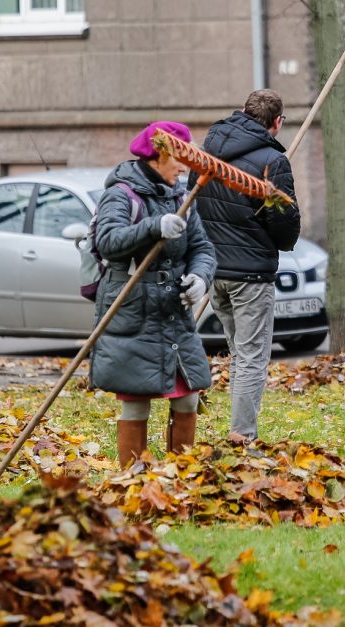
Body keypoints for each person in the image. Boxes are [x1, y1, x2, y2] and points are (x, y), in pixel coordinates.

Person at [90, 120, 217, 468]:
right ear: (160, 154)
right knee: (136, 400)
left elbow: (203, 248)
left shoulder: (181, 195)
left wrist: (200, 278)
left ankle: (181, 474)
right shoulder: (121, 193)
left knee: (188, 398)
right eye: (180, 159)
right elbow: (109, 241)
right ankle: (134, 480)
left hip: (173, 312)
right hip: (134, 309)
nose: (184, 167)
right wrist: (153, 227)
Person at [188, 89, 300, 441]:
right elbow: (283, 227)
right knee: (251, 357)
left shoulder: (207, 151)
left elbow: (192, 204)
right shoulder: (273, 162)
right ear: (277, 122)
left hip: (215, 271)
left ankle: (238, 429)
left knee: (239, 353)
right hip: (251, 275)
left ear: (241, 111)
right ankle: (242, 436)